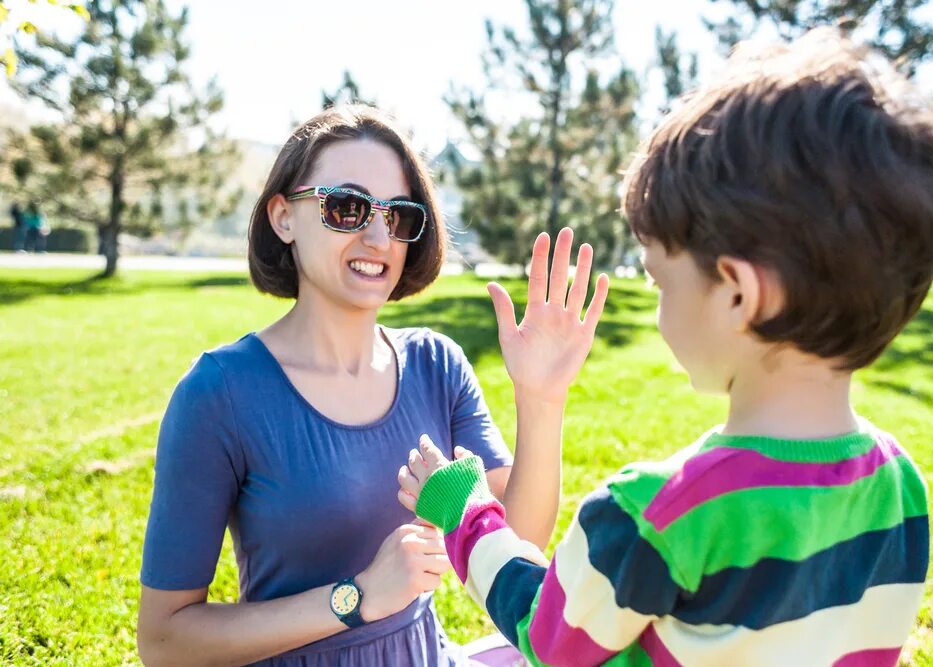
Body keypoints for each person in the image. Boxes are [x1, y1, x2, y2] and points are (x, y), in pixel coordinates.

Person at [398, 28, 933, 666]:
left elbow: (547, 636)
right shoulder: (901, 489)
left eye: (660, 278)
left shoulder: (655, 513)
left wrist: (466, 509)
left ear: (736, 293)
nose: (658, 303)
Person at [136, 104, 607, 666]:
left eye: (398, 216)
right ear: (283, 217)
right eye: (347, 208)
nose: (378, 236)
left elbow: (519, 539)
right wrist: (356, 598)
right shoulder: (219, 393)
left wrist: (541, 397)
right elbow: (165, 640)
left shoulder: (438, 363)